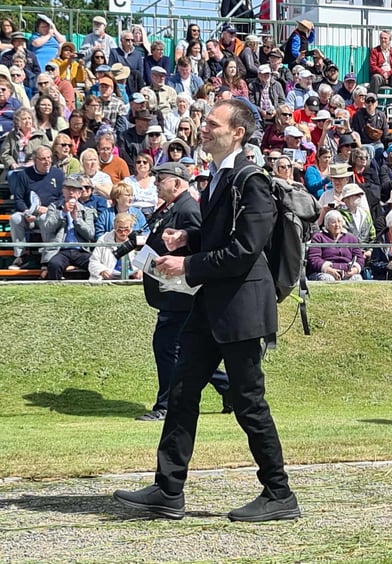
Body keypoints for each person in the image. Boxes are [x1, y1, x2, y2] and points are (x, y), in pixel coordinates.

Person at [113, 99, 301, 522]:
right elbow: (221, 242)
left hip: (241, 310)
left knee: (249, 403)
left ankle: (279, 492)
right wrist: (189, 240)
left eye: (213, 124)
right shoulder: (220, 178)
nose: (204, 128)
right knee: (181, 392)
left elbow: (244, 252)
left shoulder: (252, 181)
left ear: (237, 133)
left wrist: (188, 263)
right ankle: (168, 489)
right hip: (212, 305)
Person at [132, 162, 232, 421]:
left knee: (167, 347)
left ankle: (166, 405)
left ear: (177, 182)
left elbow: (200, 239)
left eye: (161, 178)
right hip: (171, 292)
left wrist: (183, 239)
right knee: (186, 351)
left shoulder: (187, 207)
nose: (155, 183)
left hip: (180, 293)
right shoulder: (172, 206)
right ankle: (230, 388)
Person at [36, 175, 97, 280]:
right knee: (54, 265)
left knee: (94, 264)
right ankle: (55, 291)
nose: (71, 193)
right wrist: (62, 213)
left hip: (80, 251)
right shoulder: (54, 207)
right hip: (60, 250)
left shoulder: (87, 211)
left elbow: (90, 234)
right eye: (68, 189)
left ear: (79, 193)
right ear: (63, 191)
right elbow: (48, 228)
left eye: (74, 190)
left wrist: (77, 220)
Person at [306, 209, 365, 281]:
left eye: (339, 221)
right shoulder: (318, 237)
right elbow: (314, 259)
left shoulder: (351, 238)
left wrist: (354, 270)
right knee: (328, 279)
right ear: (327, 224)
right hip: (325, 272)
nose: (337, 225)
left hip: (347, 271)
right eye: (333, 222)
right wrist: (329, 270)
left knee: (357, 278)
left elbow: (360, 259)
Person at [88, 211, 141, 281]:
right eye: (120, 230)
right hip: (108, 278)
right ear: (115, 227)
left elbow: (144, 262)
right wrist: (102, 271)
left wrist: (140, 271)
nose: (123, 233)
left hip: (132, 278)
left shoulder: (137, 240)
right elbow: (93, 262)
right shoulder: (104, 239)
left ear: (131, 228)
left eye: (127, 230)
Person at [368, 30, 392, 95]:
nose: (383, 40)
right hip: (380, 76)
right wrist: (382, 72)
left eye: (385, 38)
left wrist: (389, 73)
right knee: (375, 77)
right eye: (381, 38)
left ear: (390, 40)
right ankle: (371, 100)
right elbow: (372, 66)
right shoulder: (375, 51)